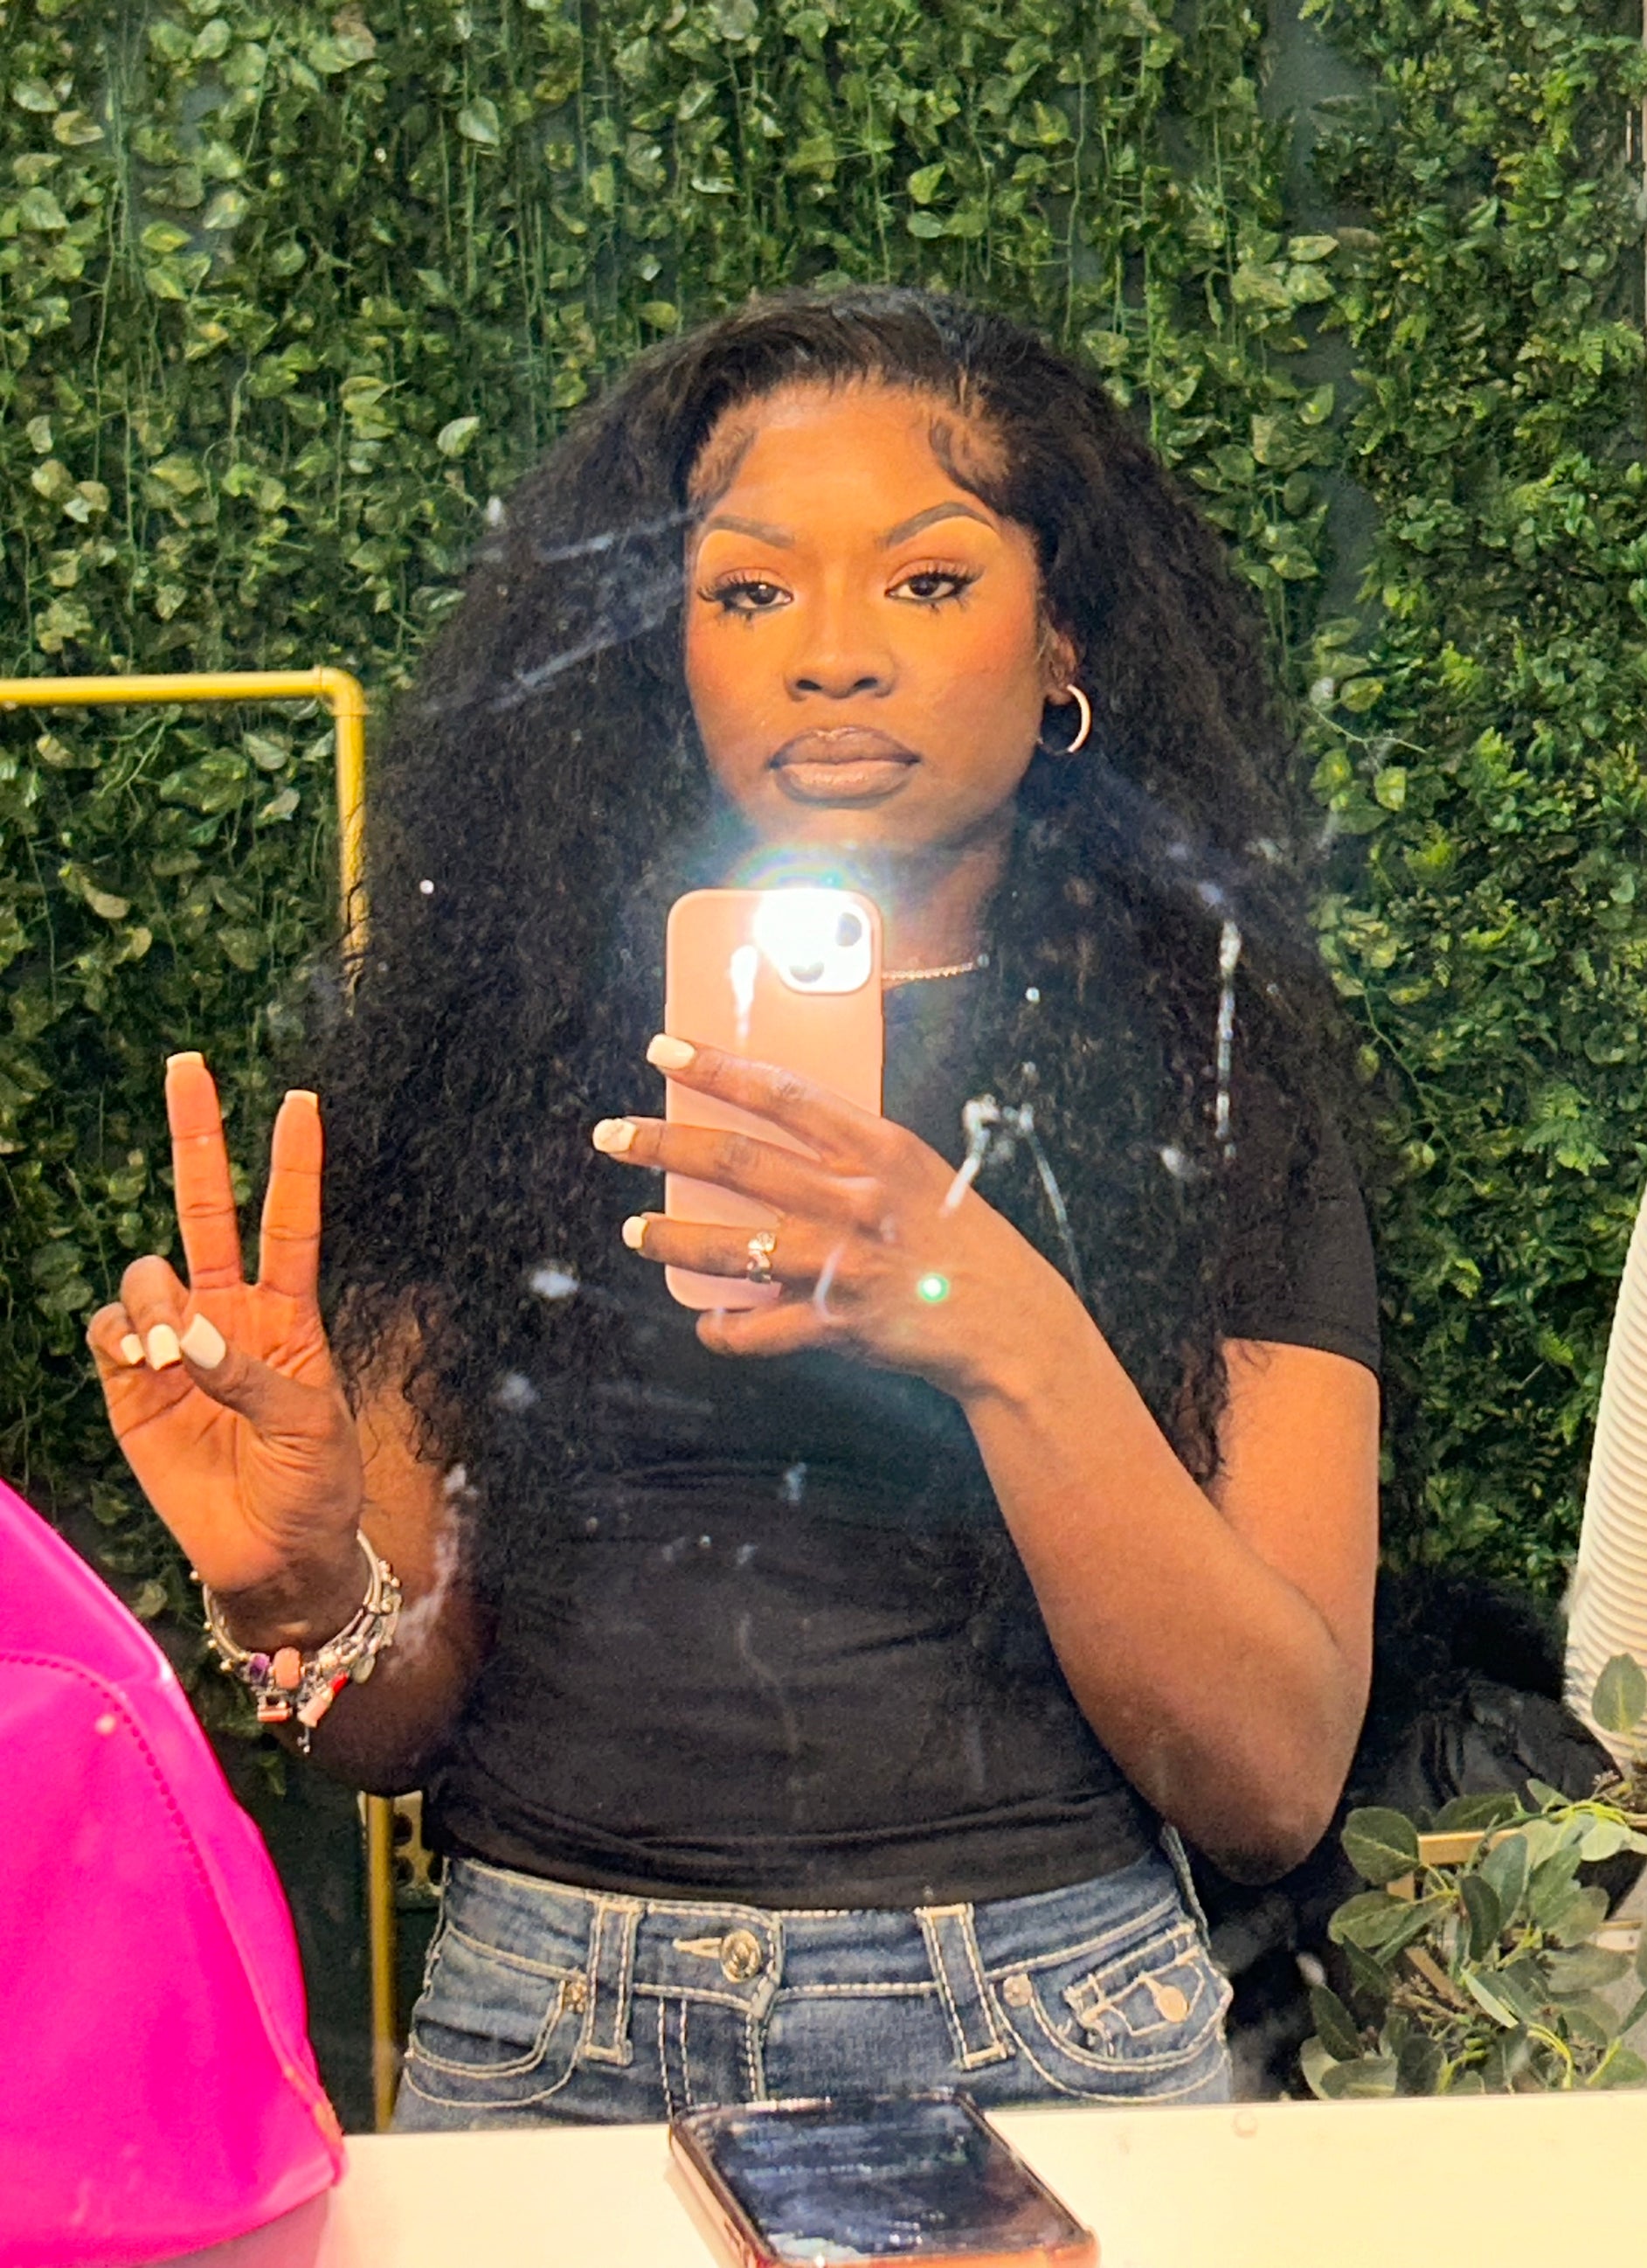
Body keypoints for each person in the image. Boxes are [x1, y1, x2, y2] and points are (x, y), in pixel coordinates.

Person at [90, 288, 1381, 2126]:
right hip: (545, 2022)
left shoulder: (1210, 1069)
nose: (832, 655)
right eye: (752, 589)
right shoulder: (495, 1054)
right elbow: (389, 1730)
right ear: (665, 654)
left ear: (1062, 638)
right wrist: (297, 1577)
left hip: (1047, 2029)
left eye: (926, 580)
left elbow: (1269, 1776)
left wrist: (992, 1323)